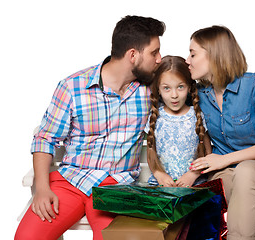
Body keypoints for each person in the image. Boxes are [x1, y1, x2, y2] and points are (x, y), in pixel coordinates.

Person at [15, 15, 165, 240]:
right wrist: (42, 189)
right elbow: (45, 138)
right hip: (71, 181)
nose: (159, 59)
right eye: (154, 52)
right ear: (133, 55)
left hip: (117, 187)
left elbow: (186, 91)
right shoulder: (72, 87)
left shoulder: (152, 89)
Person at [186, 25, 255, 240]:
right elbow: (165, 88)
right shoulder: (199, 93)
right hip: (226, 177)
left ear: (214, 55)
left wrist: (224, 159)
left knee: (247, 170)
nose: (188, 60)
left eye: (193, 54)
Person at [145, 55, 212, 188]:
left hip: (193, 186)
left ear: (189, 87)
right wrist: (159, 175)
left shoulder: (196, 115)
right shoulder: (156, 117)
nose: (174, 95)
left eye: (180, 87)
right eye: (166, 88)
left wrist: (193, 174)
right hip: (162, 186)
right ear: (158, 89)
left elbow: (207, 153)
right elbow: (150, 153)